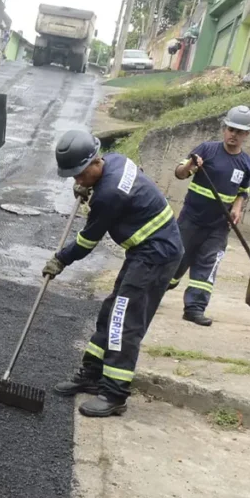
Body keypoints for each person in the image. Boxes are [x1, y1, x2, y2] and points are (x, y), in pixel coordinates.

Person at [44, 130, 183, 418]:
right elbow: (123, 184)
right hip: (145, 251)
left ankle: (115, 393)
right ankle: (93, 374)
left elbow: (87, 241)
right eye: (73, 176)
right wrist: (89, 189)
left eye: (80, 174)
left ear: (95, 161)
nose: (77, 180)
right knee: (111, 311)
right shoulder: (117, 160)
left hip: (156, 255)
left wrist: (60, 260)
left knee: (124, 320)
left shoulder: (108, 195)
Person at [169, 106, 250, 327]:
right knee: (176, 261)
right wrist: (191, 165)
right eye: (230, 129)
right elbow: (180, 173)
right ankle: (159, 288)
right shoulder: (207, 150)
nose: (233, 135)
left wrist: (237, 207)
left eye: (239, 131)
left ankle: (194, 309)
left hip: (219, 226)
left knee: (207, 266)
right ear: (224, 129)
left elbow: (243, 191)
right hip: (191, 220)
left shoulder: (247, 163)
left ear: (247, 134)